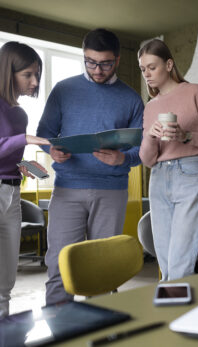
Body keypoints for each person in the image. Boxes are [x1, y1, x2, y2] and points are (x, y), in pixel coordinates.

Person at [36, 28, 144, 305]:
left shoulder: (131, 98)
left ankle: (99, 332)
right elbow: (45, 132)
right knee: (60, 261)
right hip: (68, 189)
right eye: (90, 62)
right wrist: (52, 150)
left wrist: (124, 158)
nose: (97, 69)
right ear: (83, 57)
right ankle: (59, 334)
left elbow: (143, 147)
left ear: (118, 60)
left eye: (105, 63)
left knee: (103, 269)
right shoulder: (63, 90)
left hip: (112, 190)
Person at [138, 39, 198, 281]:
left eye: (152, 67)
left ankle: (175, 310)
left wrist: (186, 136)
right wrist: (149, 136)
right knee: (166, 262)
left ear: (169, 65)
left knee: (181, 260)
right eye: (143, 69)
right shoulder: (150, 107)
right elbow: (147, 160)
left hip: (189, 173)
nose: (147, 74)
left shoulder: (195, 92)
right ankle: (174, 309)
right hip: (158, 177)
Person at [0, 41, 50, 318]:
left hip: (13, 195)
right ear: (9, 72)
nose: (34, 81)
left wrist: (24, 164)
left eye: (38, 75)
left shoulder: (19, 113)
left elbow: (8, 155)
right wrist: (26, 139)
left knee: (6, 280)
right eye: (28, 74)